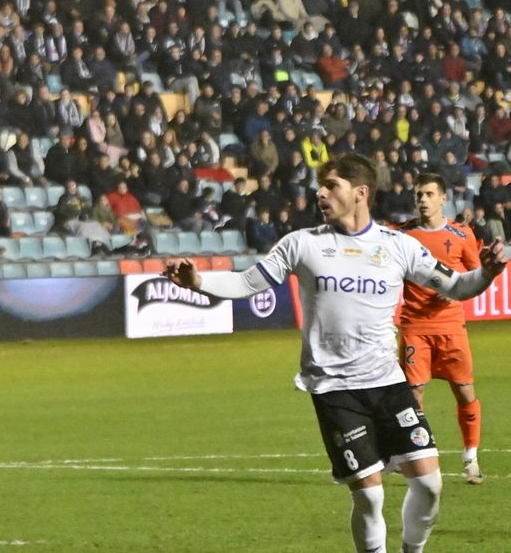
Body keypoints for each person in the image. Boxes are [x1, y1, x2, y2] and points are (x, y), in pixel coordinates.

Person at [163, 154, 506, 553]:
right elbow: (246, 282)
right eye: (320, 186)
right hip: (335, 390)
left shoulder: (397, 246)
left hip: (388, 383)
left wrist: (487, 273)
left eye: (331, 186)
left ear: (360, 192)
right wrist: (198, 281)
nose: (320, 193)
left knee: (430, 484)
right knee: (370, 496)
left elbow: (458, 287)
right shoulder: (302, 244)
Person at [395, 173, 485, 484]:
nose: (422, 200)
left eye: (429, 194)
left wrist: (458, 291)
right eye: (419, 194)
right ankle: (412, 455)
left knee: (464, 391)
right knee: (413, 395)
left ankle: (471, 456)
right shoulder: (401, 236)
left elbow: (478, 277)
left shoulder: (462, 235)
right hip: (415, 327)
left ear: (443, 198)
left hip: (451, 327)